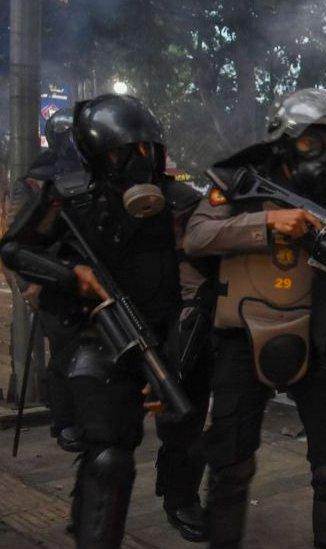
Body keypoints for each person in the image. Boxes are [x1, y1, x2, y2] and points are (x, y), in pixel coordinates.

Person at [184, 88, 326, 549]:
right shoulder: (237, 182)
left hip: (315, 334)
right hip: (242, 333)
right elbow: (196, 238)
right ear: (284, 140)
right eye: (313, 142)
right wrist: (266, 225)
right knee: (230, 467)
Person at [0, 94, 206, 547]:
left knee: (187, 427)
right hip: (102, 334)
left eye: (146, 150)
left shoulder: (178, 200)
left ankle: (181, 499)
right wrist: (70, 274)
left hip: (170, 330)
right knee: (110, 456)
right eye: (124, 152)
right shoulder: (70, 199)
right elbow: (15, 249)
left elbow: (210, 246)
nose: (138, 162)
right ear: (96, 155)